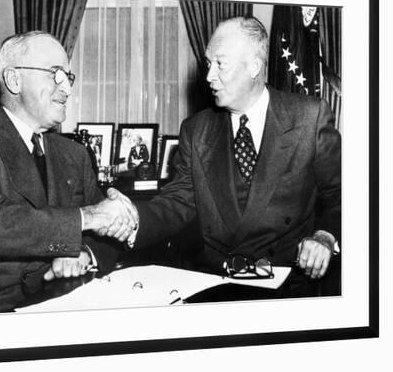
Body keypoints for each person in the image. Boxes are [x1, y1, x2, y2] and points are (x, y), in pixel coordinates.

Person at [112, 16, 341, 297]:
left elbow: (340, 195)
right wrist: (132, 217)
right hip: (216, 286)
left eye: (220, 64)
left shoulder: (309, 117)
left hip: (288, 288)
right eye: (208, 64)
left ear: (254, 66)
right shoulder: (196, 131)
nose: (209, 76)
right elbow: (176, 202)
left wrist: (325, 236)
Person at [0, 31, 134, 314]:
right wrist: (91, 217)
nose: (67, 89)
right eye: (55, 74)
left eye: (68, 78)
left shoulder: (74, 154)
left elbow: (107, 237)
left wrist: (84, 253)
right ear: (14, 80)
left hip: (68, 301)